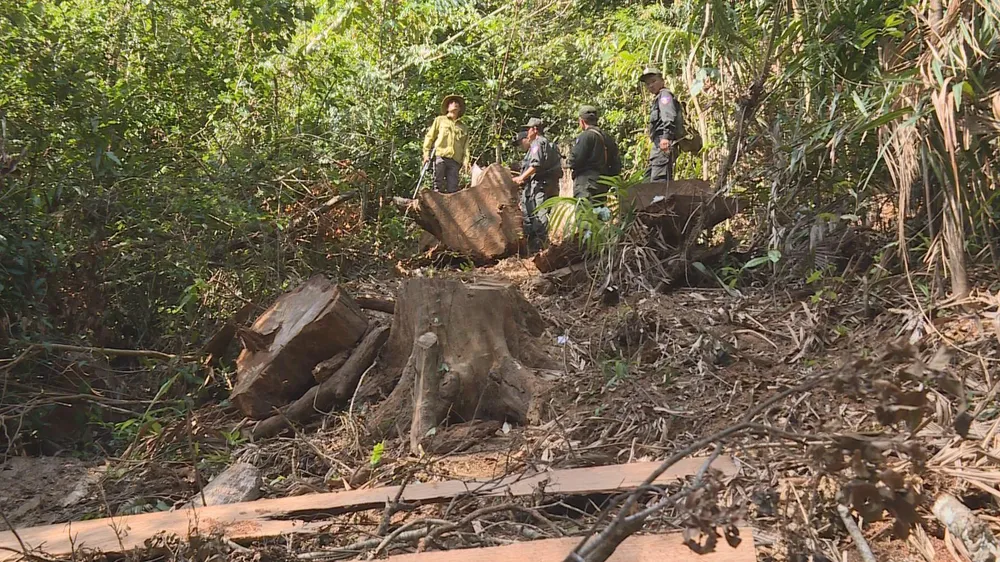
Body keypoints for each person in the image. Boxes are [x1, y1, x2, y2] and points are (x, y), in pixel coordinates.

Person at [513, 118, 561, 252]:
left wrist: (521, 177)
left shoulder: (537, 143)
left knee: (538, 215)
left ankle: (540, 247)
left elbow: (536, 164)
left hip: (540, 185)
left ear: (534, 129)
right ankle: (539, 246)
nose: (527, 133)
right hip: (551, 184)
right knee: (542, 214)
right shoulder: (550, 144)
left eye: (528, 129)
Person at [639, 67, 683, 182]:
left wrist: (665, 138)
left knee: (659, 180)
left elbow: (669, 117)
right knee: (648, 180)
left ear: (662, 80)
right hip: (658, 146)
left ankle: (661, 200)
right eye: (648, 84)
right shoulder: (658, 97)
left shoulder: (665, 95)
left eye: (653, 81)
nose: (650, 86)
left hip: (663, 144)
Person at [567, 105, 621, 198]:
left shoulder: (585, 136)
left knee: (584, 211)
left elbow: (575, 159)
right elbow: (616, 164)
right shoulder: (608, 138)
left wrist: (569, 161)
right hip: (602, 184)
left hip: (586, 183)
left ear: (582, 121)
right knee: (599, 211)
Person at [422, 94, 470, 193]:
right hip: (441, 156)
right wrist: (426, 154)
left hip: (455, 160)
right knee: (437, 185)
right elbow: (430, 137)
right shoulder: (440, 120)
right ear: (448, 107)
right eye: (452, 103)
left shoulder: (463, 127)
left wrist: (466, 161)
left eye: (457, 103)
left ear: (460, 108)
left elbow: (466, 146)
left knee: (453, 188)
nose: (455, 104)